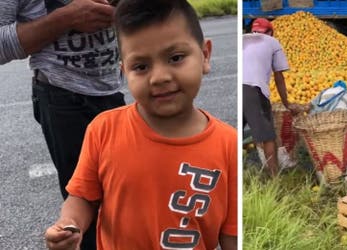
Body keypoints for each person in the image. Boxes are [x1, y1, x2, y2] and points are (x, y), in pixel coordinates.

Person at [44, 0, 238, 249]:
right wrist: (69, 224)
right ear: (124, 71)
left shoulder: (228, 144)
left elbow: (232, 235)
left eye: (176, 58)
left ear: (205, 55)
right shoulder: (103, 129)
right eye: (141, 66)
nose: (159, 77)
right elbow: (82, 197)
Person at [0, 0, 125, 249]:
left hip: (114, 88)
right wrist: (66, 18)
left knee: (125, 196)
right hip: (62, 95)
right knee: (87, 203)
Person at [243, 18, 300, 176]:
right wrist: (286, 103)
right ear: (270, 32)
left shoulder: (242, 39)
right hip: (253, 89)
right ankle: (274, 178)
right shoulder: (272, 42)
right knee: (268, 136)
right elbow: (279, 77)